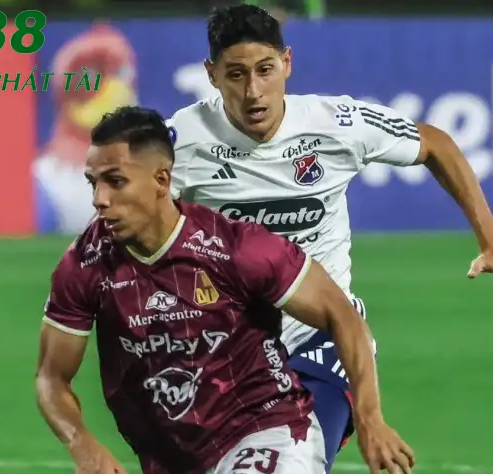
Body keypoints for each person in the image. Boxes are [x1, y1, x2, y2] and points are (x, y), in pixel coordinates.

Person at [163, 4, 493, 471]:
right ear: (212, 74)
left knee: (296, 462)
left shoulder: (335, 124)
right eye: (236, 74)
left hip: (324, 335)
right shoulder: (180, 143)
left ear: (287, 63)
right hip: (227, 347)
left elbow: (435, 143)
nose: (253, 91)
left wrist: (492, 241)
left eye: (265, 70)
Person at [35, 106, 415, 474]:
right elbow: (51, 378)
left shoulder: (235, 248)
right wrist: (83, 446)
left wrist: (370, 419)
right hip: (173, 459)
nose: (99, 199)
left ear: (162, 180)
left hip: (267, 429)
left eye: (116, 181)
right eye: (94, 182)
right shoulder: (85, 265)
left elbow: (342, 315)